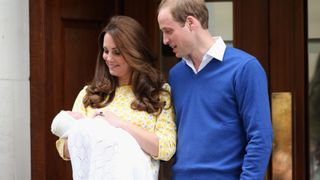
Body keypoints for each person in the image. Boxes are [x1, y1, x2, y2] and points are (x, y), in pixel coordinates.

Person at [157, 0, 273, 179]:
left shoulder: (244, 68)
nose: (165, 40)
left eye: (168, 31)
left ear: (190, 23)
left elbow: (260, 139)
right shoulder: (176, 75)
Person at [54, 15, 176, 180]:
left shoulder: (158, 94)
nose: (109, 58)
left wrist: (120, 125)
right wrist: (91, 133)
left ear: (135, 52)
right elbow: (64, 147)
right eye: (105, 51)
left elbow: (166, 148)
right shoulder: (89, 94)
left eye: (117, 52)